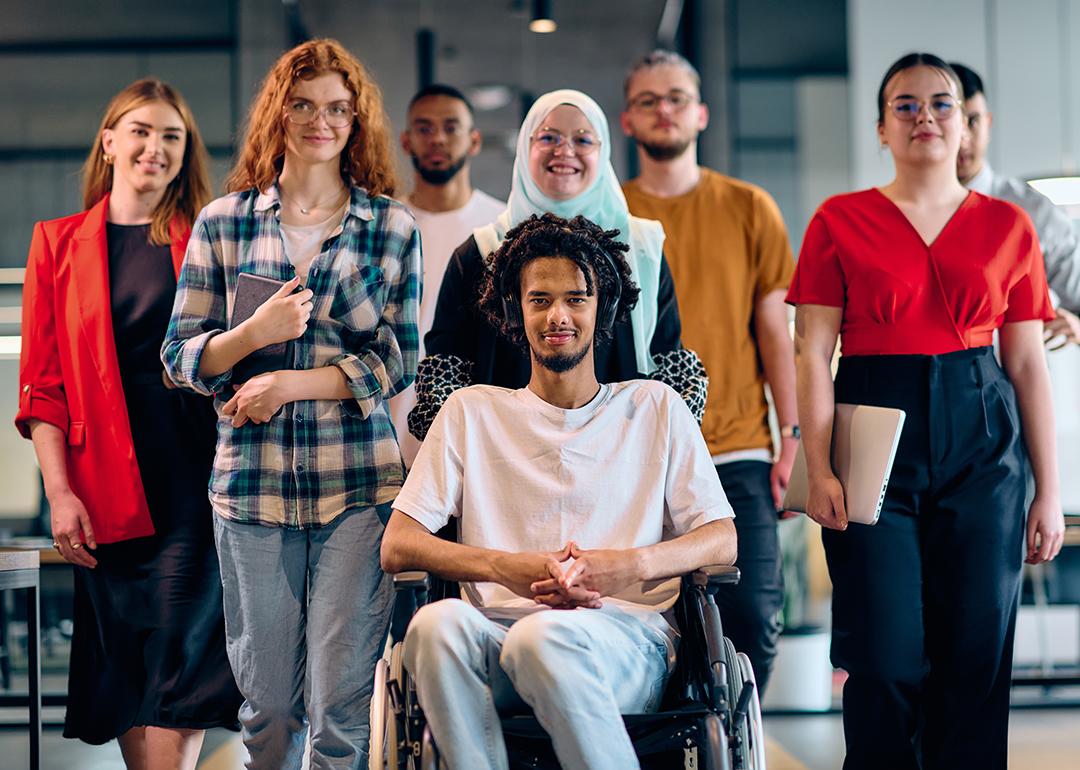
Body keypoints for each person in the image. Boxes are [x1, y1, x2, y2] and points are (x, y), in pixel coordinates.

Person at [381, 213, 737, 770]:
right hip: (497, 636)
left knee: (542, 639)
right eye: (540, 299)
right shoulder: (471, 411)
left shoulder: (655, 408)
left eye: (576, 298)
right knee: (432, 624)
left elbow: (721, 539)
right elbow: (398, 544)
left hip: (625, 641)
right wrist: (502, 568)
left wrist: (632, 565)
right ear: (514, 310)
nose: (558, 316)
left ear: (603, 308)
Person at [788, 53, 1064, 769]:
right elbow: (812, 352)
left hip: (984, 442)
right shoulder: (839, 219)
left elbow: (1028, 363)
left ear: (966, 121)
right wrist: (817, 466)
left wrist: (1050, 493)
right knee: (883, 657)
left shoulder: (1009, 225)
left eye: (941, 104)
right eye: (904, 105)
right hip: (873, 433)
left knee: (975, 657)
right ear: (882, 127)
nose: (925, 118)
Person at [161, 39, 420, 768]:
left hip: (358, 489)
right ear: (279, 113)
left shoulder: (390, 227)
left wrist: (290, 383)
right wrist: (252, 336)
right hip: (252, 491)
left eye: (338, 108)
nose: (320, 121)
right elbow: (180, 356)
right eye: (304, 105)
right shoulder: (224, 222)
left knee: (340, 706)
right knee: (268, 707)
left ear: (356, 121)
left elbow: (399, 358)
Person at [15, 79, 240, 768]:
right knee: (130, 666)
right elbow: (43, 390)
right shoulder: (55, 246)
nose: (155, 147)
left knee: (182, 657)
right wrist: (59, 493)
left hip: (196, 477)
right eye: (141, 130)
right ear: (109, 140)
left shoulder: (208, 236)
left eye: (172, 136)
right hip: (104, 483)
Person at [620, 49, 796, 696]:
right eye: (648, 101)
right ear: (628, 121)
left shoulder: (751, 207)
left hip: (740, 448)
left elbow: (776, 332)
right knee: (651, 626)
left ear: (700, 114)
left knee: (753, 618)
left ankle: (736, 742)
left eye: (675, 98)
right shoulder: (611, 213)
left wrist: (793, 439)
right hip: (635, 457)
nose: (663, 110)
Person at [408, 89, 705, 442]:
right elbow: (445, 370)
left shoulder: (642, 248)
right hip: (503, 461)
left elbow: (669, 364)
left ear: (603, 150)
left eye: (583, 139)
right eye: (548, 137)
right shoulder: (481, 251)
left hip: (620, 462)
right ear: (525, 147)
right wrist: (470, 450)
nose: (565, 151)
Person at [391, 84, 505, 466]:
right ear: (406, 142)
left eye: (451, 127)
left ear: (474, 141)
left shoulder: (502, 229)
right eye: (424, 128)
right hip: (389, 431)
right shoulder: (384, 226)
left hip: (477, 436)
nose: (437, 138)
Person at [951, 61, 1080, 346]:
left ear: (988, 122)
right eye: (954, 123)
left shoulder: (1035, 212)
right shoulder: (904, 216)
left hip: (1019, 383)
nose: (964, 139)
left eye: (972, 121)